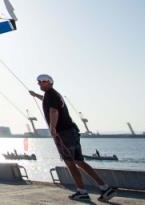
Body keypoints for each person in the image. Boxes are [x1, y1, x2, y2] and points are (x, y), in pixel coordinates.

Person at [30, 74, 116, 202]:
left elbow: (54, 111)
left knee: (70, 163)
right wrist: (36, 95)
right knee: (79, 161)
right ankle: (104, 187)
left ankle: (82, 191)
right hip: (72, 132)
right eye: (39, 82)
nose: (40, 83)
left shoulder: (51, 95)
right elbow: (48, 102)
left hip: (63, 133)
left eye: (43, 81)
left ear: (50, 82)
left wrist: (53, 129)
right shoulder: (53, 95)